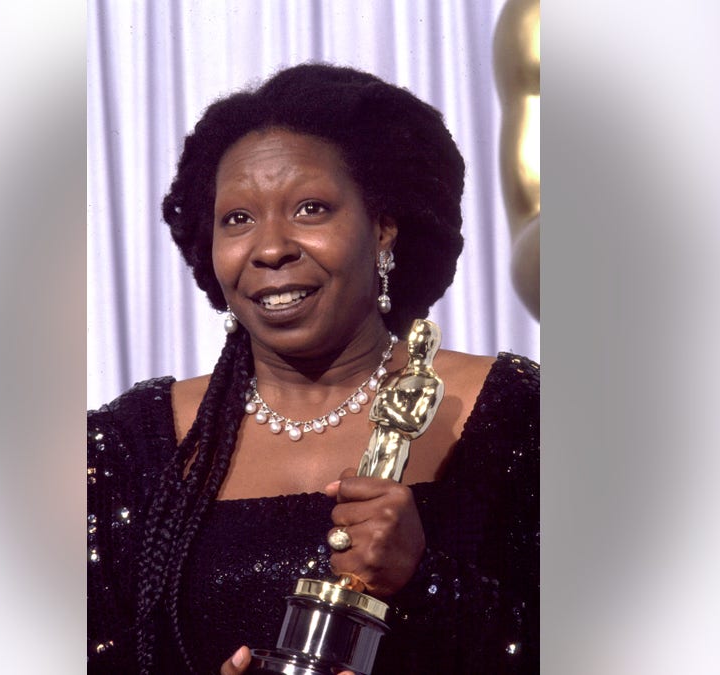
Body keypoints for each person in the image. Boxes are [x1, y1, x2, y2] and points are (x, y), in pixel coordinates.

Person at [88, 63, 539, 674]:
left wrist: (425, 582)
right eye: (237, 219)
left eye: (310, 208)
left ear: (384, 227)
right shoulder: (131, 447)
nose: (270, 248)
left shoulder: (509, 412)